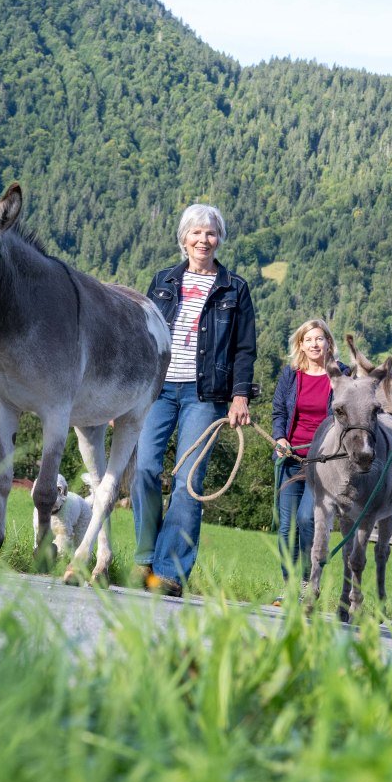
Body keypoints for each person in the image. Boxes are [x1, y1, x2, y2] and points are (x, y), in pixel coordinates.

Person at [132, 204, 258, 597]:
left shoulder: (234, 288)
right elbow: (143, 335)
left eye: (210, 233)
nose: (203, 240)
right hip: (157, 388)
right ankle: (145, 556)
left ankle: (169, 573)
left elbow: (244, 348)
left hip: (205, 395)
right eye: (196, 232)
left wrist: (240, 395)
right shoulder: (163, 281)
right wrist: (129, 391)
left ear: (219, 239)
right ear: (184, 238)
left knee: (188, 481)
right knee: (144, 469)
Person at [271, 319, 346, 581]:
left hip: (323, 462)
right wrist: (280, 437)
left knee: (307, 519)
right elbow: (279, 411)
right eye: (309, 340)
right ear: (301, 345)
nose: (315, 344)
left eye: (319, 339)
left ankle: (306, 582)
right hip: (291, 459)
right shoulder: (291, 374)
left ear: (328, 343)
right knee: (286, 527)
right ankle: (289, 586)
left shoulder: (341, 375)